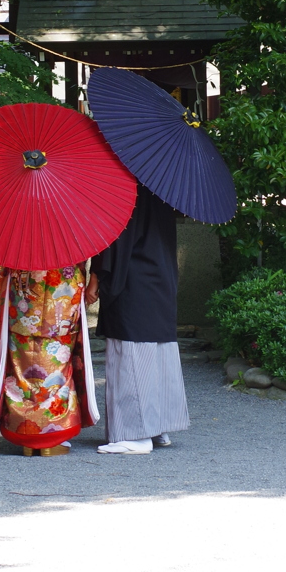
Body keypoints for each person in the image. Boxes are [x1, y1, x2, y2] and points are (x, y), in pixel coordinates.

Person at [89, 183, 189, 455]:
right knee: (158, 352)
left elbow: (117, 237)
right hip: (160, 273)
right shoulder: (160, 184)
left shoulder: (126, 184)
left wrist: (98, 276)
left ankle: (135, 435)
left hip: (134, 277)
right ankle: (158, 427)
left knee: (131, 354)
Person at [0, 266, 99, 455]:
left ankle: (25, 435)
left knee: (20, 362)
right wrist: (93, 282)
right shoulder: (71, 234)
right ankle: (52, 436)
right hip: (62, 292)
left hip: (21, 292)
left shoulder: (17, 234)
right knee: (56, 364)